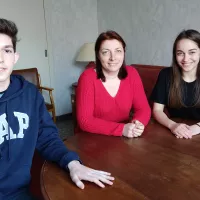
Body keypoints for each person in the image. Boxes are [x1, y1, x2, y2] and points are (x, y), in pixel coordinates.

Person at [0, 18, 114, 200]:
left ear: (15, 57)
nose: (0, 59)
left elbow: (47, 137)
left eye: (6, 50)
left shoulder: (29, 95)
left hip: (21, 194)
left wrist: (73, 163)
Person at [76, 30, 151, 137]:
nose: (113, 57)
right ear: (98, 55)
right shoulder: (87, 77)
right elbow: (85, 121)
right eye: (106, 52)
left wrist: (137, 124)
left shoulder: (132, 73)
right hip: (92, 138)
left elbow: (143, 109)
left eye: (118, 51)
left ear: (124, 53)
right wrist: (121, 129)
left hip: (123, 138)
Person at [151, 29, 200, 139]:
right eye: (180, 53)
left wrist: (197, 128)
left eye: (192, 52)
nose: (185, 59)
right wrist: (172, 125)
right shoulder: (165, 75)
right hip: (174, 134)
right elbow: (157, 110)